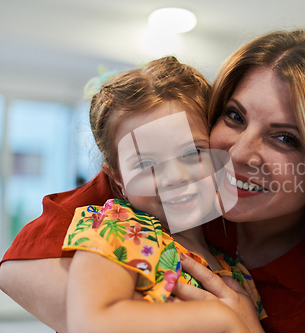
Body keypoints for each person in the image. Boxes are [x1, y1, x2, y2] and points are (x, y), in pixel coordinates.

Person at [0, 30, 305, 333]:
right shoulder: (143, 198)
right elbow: (18, 271)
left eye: (286, 138)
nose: (238, 152)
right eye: (234, 116)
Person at [59, 56, 265, 333]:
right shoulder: (118, 229)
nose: (175, 176)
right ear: (118, 178)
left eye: (193, 152)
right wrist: (222, 320)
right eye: (145, 164)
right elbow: (90, 323)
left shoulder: (237, 273)